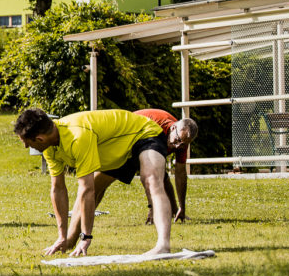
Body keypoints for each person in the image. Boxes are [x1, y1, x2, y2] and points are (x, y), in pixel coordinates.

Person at [14, 107, 173, 257]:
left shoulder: (78, 136)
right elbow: (58, 189)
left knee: (151, 180)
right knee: (91, 190)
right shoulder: (49, 148)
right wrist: (61, 236)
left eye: (26, 142)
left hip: (143, 134)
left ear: (39, 138)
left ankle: (163, 245)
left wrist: (86, 236)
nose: (26, 146)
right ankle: (67, 242)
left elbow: (86, 189)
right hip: (115, 152)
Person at [64, 109, 198, 238]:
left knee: (162, 176)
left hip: (139, 143)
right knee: (97, 184)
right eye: (177, 140)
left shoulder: (182, 140)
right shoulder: (159, 129)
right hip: (127, 142)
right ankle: (77, 230)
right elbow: (150, 176)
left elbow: (180, 174)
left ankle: (174, 213)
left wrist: (182, 207)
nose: (177, 146)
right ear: (173, 128)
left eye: (183, 144)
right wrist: (152, 207)